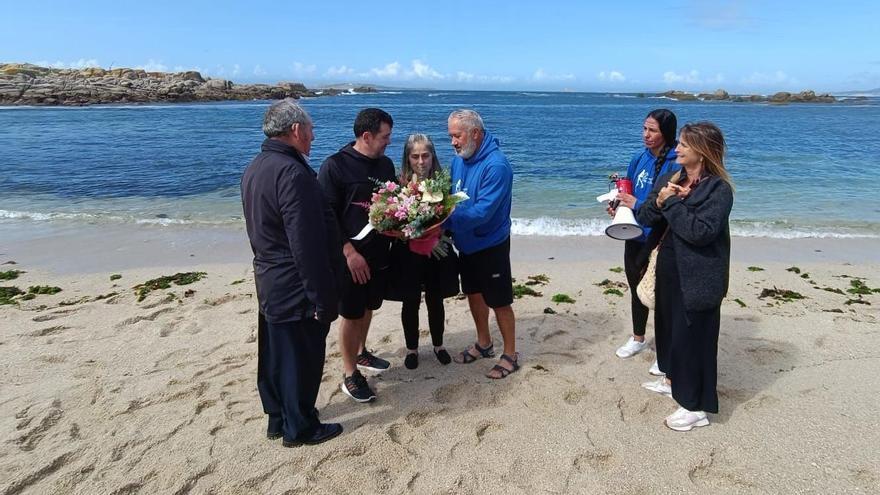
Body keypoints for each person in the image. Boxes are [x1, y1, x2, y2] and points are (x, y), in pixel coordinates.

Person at [241, 98, 343, 447]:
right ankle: (300, 427)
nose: (313, 137)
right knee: (300, 356)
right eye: (311, 130)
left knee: (276, 354)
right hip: (294, 282)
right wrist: (321, 296)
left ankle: (278, 418)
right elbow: (306, 243)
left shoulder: (257, 166)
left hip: (270, 277)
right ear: (296, 130)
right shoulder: (292, 172)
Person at [636, 122, 734, 431]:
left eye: (684, 145)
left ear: (702, 153)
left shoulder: (718, 189)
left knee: (694, 339)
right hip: (669, 268)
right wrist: (662, 198)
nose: (676, 148)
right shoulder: (672, 177)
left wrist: (674, 203)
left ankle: (695, 407)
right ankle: (670, 378)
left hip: (699, 276)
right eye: (678, 143)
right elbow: (646, 216)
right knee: (669, 330)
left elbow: (700, 232)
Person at [318, 108, 396, 403]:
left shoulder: (385, 165)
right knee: (350, 313)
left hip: (379, 253)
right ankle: (350, 373)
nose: (389, 141)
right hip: (349, 258)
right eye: (385, 136)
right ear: (366, 136)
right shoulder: (335, 166)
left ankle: (362, 353)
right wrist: (349, 252)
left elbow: (392, 205)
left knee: (368, 306)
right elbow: (325, 217)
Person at [445, 109, 518, 379]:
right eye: (450, 136)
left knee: (500, 301)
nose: (453, 142)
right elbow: (452, 197)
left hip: (491, 243)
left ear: (475, 133)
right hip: (466, 243)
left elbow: (482, 212)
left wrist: (443, 218)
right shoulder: (459, 160)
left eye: (457, 136)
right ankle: (484, 343)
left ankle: (510, 354)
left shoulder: (497, 165)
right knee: (473, 293)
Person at [610, 109, 680, 378]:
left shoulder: (677, 162)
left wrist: (637, 204)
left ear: (667, 134)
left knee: (661, 296)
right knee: (635, 288)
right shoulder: (638, 158)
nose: (646, 135)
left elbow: (670, 206)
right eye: (644, 129)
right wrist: (618, 207)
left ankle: (664, 352)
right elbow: (626, 192)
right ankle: (638, 338)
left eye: (652, 131)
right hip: (634, 234)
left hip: (660, 237)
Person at [385, 134, 460, 369]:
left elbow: (450, 218)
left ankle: (438, 345)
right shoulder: (399, 184)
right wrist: (407, 233)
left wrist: (439, 237)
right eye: (415, 156)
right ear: (408, 158)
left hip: (436, 250)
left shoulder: (443, 182)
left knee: (436, 300)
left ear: (432, 156)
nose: (421, 161)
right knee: (410, 301)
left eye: (425, 155)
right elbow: (393, 220)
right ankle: (412, 349)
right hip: (406, 251)